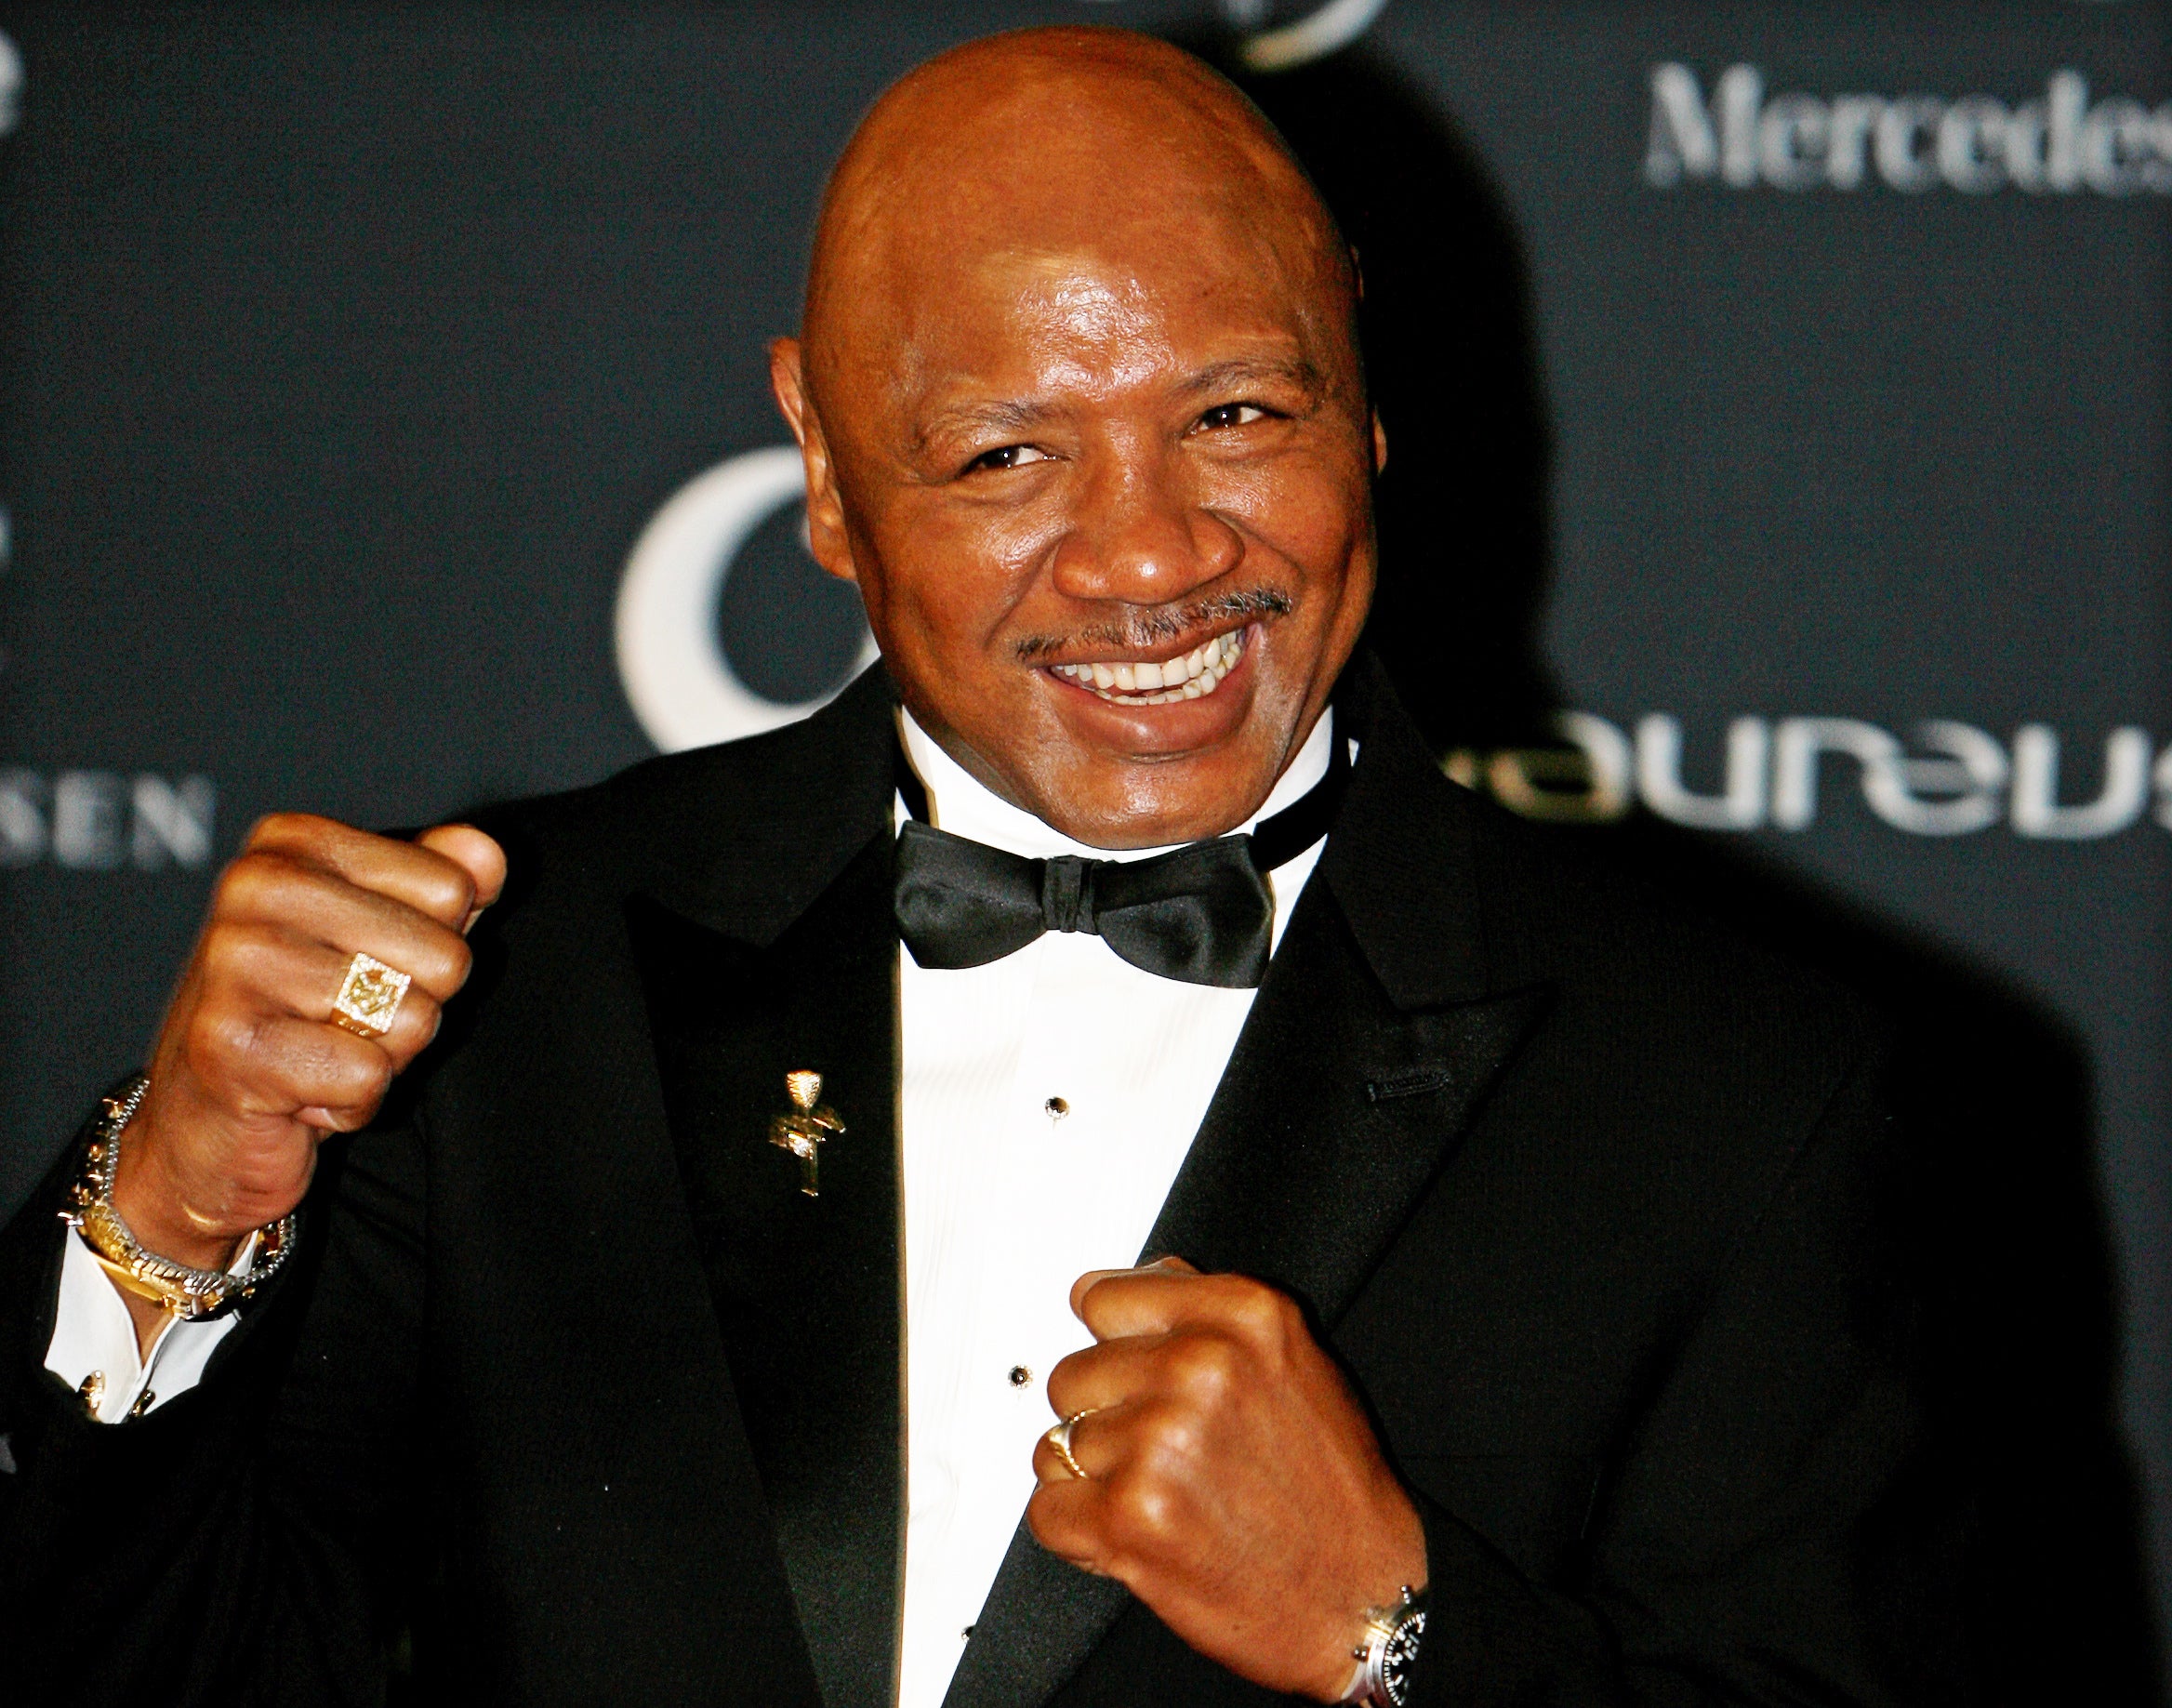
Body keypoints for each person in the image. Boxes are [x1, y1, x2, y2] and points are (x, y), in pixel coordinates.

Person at [0, 26, 1960, 1707]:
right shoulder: (506, 982)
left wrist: (1396, 1633)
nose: (1147, 557)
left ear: (1365, 396)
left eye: (1235, 412)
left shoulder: (1737, 1088)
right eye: (1005, 456)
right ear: (826, 472)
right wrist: (168, 1220)